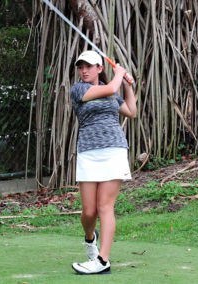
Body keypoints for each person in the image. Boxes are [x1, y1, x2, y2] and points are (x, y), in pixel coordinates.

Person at [70, 50, 137, 275]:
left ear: (100, 68)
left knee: (105, 207)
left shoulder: (112, 94)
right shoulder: (79, 89)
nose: (84, 70)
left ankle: (102, 260)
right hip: (89, 153)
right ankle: (90, 238)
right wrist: (119, 74)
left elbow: (131, 111)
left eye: (89, 66)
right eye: (81, 67)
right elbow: (110, 87)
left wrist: (128, 84)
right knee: (89, 212)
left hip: (114, 150)